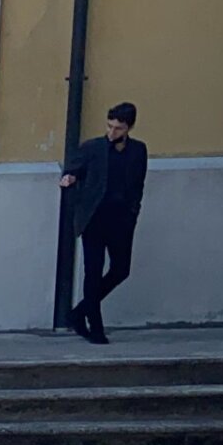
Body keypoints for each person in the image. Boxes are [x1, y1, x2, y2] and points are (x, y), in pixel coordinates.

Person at [60, 102, 147, 344]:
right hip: (94, 219)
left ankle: (79, 313)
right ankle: (94, 326)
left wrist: (133, 213)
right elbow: (72, 171)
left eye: (118, 128)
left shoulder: (138, 150)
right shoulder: (93, 148)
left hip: (121, 220)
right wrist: (70, 182)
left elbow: (138, 185)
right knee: (93, 271)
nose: (112, 133)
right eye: (109, 126)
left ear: (129, 128)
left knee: (121, 270)